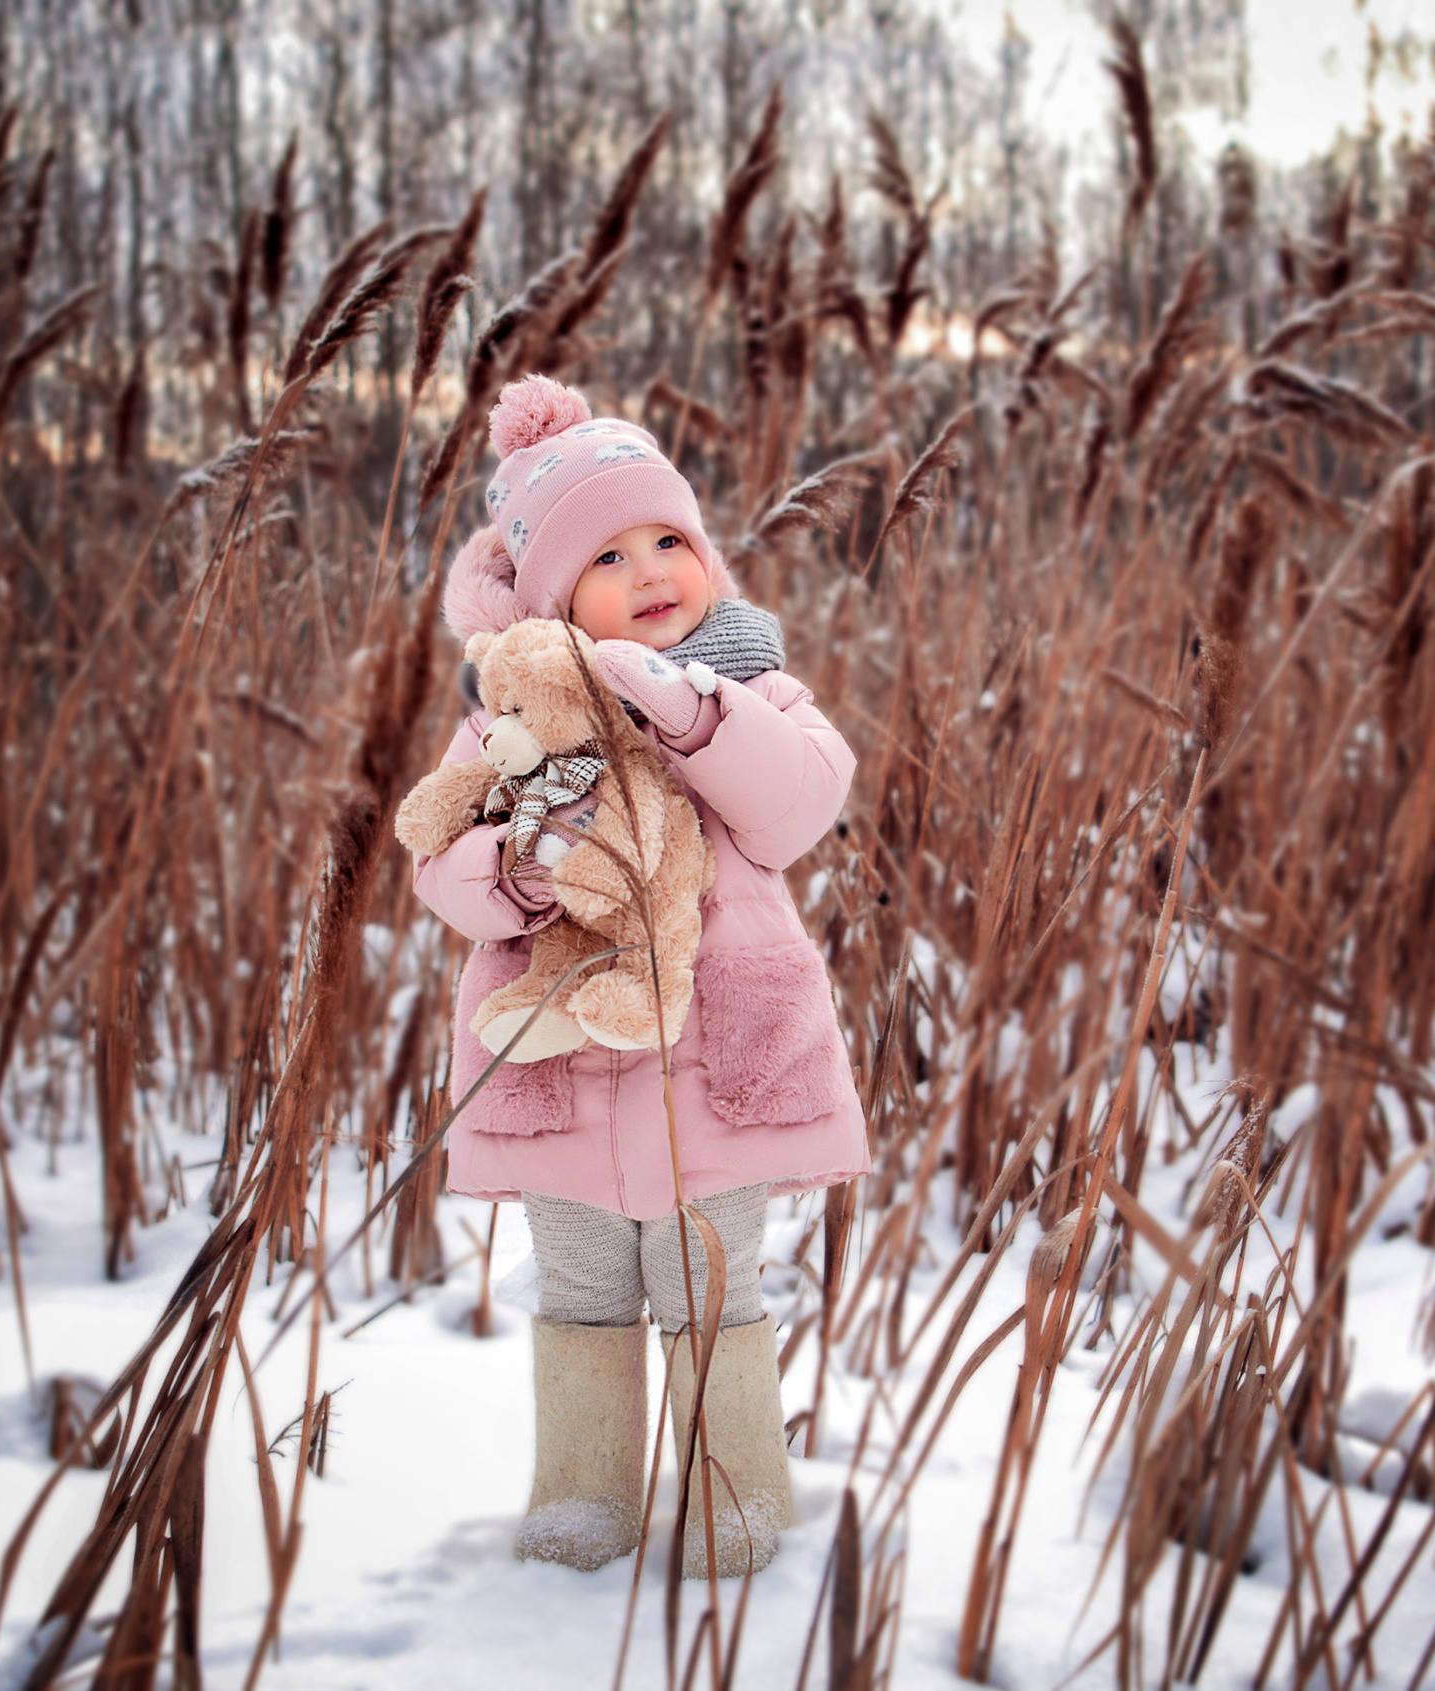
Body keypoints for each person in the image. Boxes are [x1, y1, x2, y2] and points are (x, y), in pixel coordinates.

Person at [407, 373, 867, 1578]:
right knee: (581, 1282)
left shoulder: (751, 686)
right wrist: (519, 873)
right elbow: (438, 862)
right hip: (565, 1058)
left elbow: (798, 806)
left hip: (720, 1059)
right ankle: (583, 1495)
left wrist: (695, 715)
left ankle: (735, 1497)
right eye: (609, 557)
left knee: (706, 1275)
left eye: (670, 539)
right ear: (555, 600)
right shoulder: (514, 717)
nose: (653, 569)